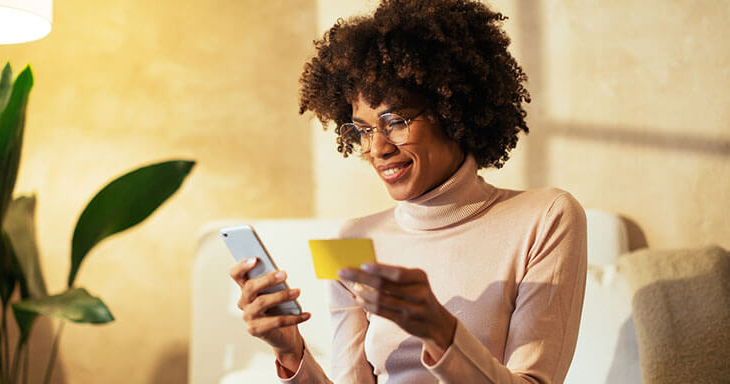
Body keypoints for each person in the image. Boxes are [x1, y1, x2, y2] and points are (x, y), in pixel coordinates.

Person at [228, 0, 587, 383]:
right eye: (363, 130)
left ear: (453, 111)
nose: (377, 148)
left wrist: (440, 332)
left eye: (396, 121)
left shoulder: (546, 216)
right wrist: (290, 350)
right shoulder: (352, 240)